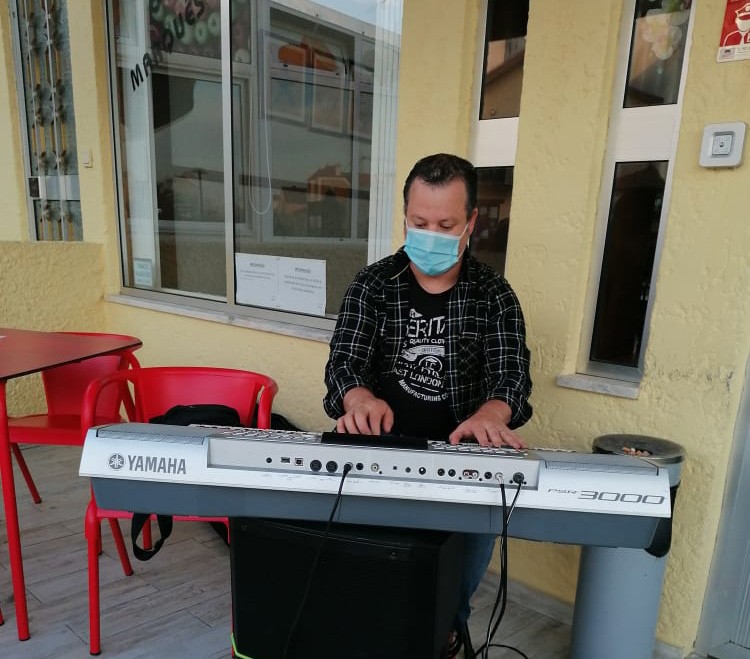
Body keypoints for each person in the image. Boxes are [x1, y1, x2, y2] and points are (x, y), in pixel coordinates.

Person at [323, 152, 532, 657]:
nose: (431, 235)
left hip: (465, 465)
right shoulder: (373, 285)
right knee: (375, 578)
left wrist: (492, 413)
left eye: (445, 225)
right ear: (404, 217)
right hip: (381, 456)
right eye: (419, 223)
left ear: (471, 223)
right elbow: (343, 365)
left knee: (449, 590)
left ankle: (445, 637)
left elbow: (512, 377)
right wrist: (360, 397)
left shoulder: (494, 295)